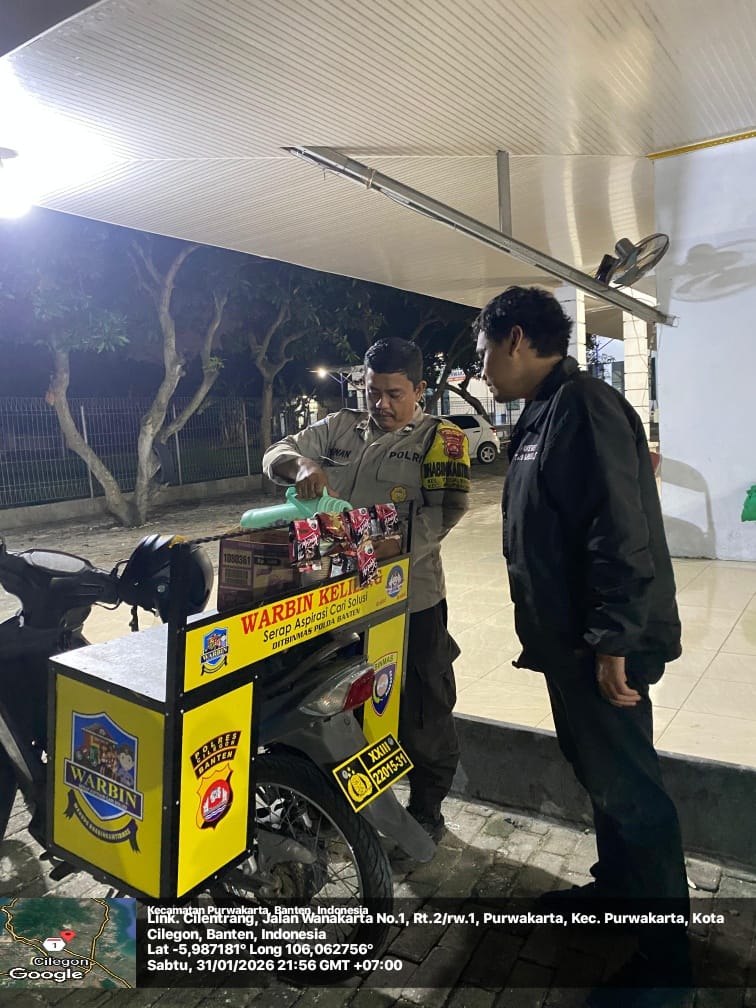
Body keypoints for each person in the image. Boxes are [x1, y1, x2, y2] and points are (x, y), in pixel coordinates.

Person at [474, 287, 691, 1006]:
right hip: (571, 643)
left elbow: (617, 530)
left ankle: (667, 969)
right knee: (601, 775)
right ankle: (619, 889)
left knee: (633, 793)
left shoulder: (584, 407)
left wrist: (614, 638)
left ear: (514, 339)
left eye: (484, 353)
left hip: (604, 645)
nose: (482, 370)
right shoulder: (546, 411)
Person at [262, 337, 470, 842]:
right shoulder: (340, 427)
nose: (382, 404)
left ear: (419, 390)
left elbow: (445, 513)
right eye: (373, 392)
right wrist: (303, 467)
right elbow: (275, 453)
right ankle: (328, 811)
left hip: (410, 601)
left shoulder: (441, 439)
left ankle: (426, 812)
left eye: (395, 393)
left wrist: (371, 553)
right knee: (329, 708)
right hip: (333, 604)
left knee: (422, 709)